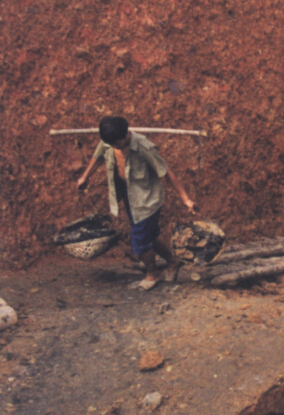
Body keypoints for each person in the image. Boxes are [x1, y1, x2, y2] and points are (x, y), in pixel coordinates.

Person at [76, 116, 196, 290]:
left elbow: (167, 173)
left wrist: (186, 199)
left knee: (139, 239)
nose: (115, 147)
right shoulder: (110, 141)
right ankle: (173, 261)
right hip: (129, 195)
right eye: (111, 144)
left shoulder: (143, 147)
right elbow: (98, 156)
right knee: (149, 235)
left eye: (117, 144)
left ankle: (153, 273)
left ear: (126, 134)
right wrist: (85, 177)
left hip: (148, 199)